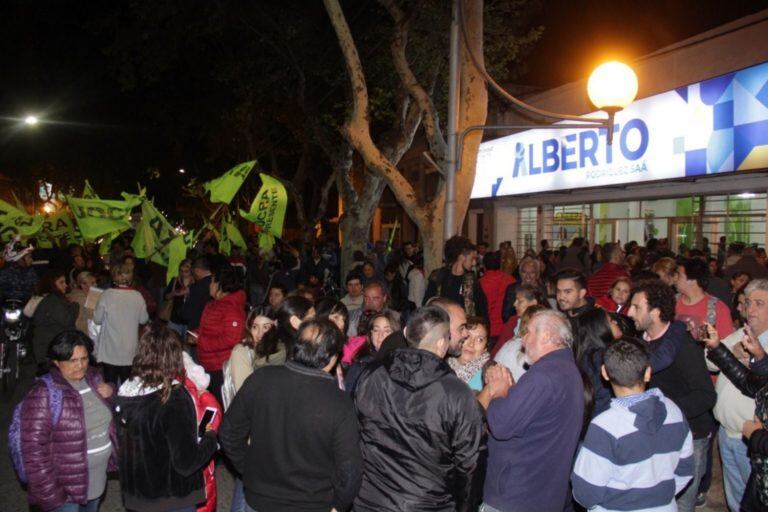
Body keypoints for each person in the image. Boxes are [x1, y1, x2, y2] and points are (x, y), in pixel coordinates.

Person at [220, 319, 363, 512]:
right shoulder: (338, 402)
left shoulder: (261, 379)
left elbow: (228, 432)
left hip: (258, 499)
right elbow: (349, 470)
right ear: (332, 358)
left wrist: (249, 469)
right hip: (312, 504)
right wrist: (339, 506)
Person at [353, 306, 484, 511]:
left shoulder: (371, 376)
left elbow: (355, 435)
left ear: (405, 333)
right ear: (442, 343)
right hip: (428, 504)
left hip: (372, 501)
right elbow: (470, 465)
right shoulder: (456, 393)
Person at [479, 309, 585, 512]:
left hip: (517, 495)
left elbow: (501, 425)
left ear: (545, 336)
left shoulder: (543, 376)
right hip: (542, 493)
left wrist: (499, 392)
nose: (523, 339)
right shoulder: (568, 370)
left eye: (528, 333)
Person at [571, 338, 694, 511]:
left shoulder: (604, 427)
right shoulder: (674, 412)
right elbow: (686, 470)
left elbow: (585, 492)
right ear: (648, 372)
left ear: (605, 373)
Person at [627, 280, 717, 512]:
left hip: (690, 435)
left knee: (680, 503)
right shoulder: (640, 341)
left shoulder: (683, 346)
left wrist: (663, 411)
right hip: (655, 432)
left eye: (636, 307)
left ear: (655, 312)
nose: (629, 312)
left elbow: (706, 396)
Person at [116, 323, 218, 512]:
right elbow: (186, 463)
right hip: (172, 499)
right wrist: (210, 438)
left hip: (138, 496)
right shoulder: (174, 397)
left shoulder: (125, 393)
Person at [19, 330, 116, 512]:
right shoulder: (44, 393)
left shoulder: (94, 379)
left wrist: (111, 392)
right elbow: (33, 451)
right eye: (72, 360)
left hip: (96, 480)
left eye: (84, 359)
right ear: (56, 361)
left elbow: (109, 413)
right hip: (64, 491)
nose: (80, 366)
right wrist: (50, 493)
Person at [703, 278, 768, 511]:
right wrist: (723, 348)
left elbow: (754, 384)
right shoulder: (744, 333)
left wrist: (757, 437)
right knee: (737, 500)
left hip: (752, 439)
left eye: (759, 303)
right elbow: (744, 380)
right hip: (728, 431)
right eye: (748, 302)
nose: (750, 309)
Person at [195, 265, 247, 405]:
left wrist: (201, 341)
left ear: (221, 285)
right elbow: (209, 329)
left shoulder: (232, 308)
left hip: (220, 368)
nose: (209, 285)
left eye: (212, 281)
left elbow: (232, 338)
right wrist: (197, 334)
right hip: (208, 364)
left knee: (219, 406)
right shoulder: (214, 304)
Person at [93, 263, 149, 386]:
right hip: (129, 350)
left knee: (110, 386)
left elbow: (97, 319)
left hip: (110, 350)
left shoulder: (106, 295)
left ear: (113, 277)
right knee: (127, 385)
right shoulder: (137, 296)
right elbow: (144, 320)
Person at [424, 235, 488, 318]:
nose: (474, 263)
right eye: (472, 259)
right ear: (461, 257)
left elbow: (482, 311)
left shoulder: (471, 281)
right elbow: (427, 306)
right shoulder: (437, 277)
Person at [675, 256, 734, 341]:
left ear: (692, 280)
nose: (675, 278)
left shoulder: (717, 309)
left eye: (679, 275)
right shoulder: (672, 302)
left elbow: (727, 344)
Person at [344, 311, 400, 395]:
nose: (380, 335)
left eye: (387, 331)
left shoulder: (403, 364)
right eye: (376, 330)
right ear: (370, 334)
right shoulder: (360, 364)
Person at [31, 271, 79, 370]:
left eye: (65, 282)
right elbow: (67, 320)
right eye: (61, 283)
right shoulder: (53, 301)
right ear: (52, 284)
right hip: (49, 349)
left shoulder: (54, 299)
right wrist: (75, 306)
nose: (65, 285)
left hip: (51, 347)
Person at [447, 316, 491, 391]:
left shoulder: (492, 372)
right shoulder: (440, 367)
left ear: (485, 348)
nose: (471, 344)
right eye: (468, 336)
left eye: (479, 339)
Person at [479, 252, 516, 341]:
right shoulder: (511, 280)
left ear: (484, 266)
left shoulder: (480, 283)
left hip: (488, 329)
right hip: (507, 329)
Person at [501, 257, 543, 322]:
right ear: (520, 273)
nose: (528, 276)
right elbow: (505, 316)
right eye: (524, 272)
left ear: (537, 274)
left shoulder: (542, 289)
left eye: (532, 272)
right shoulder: (512, 289)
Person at [0, 236, 38, 303]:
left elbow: (36, 286)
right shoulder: (7, 270)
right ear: (20, 258)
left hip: (25, 303)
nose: (31, 260)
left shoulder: (31, 271)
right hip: (7, 303)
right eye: (29, 257)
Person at [180, 256, 213, 332]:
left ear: (197, 270)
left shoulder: (198, 287)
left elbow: (186, 313)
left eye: (192, 271)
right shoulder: (216, 281)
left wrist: (186, 298)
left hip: (197, 327)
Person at [164, 258, 194, 337]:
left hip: (190, 320)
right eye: (181, 271)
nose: (183, 274)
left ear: (191, 271)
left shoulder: (195, 283)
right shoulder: (175, 281)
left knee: (186, 345)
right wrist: (173, 294)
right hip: (175, 318)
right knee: (172, 340)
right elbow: (166, 297)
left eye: (186, 271)